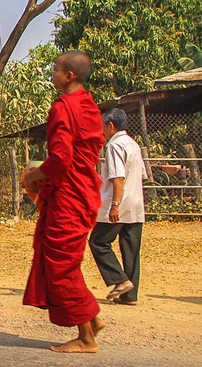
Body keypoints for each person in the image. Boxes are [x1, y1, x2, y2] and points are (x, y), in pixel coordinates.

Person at [20, 50, 107, 353]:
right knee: (62, 258)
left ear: (69, 75)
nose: (53, 74)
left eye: (56, 70)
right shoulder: (89, 104)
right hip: (83, 193)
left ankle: (86, 337)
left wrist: (34, 176)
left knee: (62, 264)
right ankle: (91, 320)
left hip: (69, 195)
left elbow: (59, 160)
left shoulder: (64, 107)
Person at [89, 108, 147, 306]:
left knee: (98, 242)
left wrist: (115, 205)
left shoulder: (114, 145)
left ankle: (120, 280)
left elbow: (118, 177)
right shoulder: (133, 144)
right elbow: (142, 175)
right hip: (136, 204)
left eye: (103, 126)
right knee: (130, 249)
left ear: (111, 126)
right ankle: (130, 295)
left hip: (119, 204)